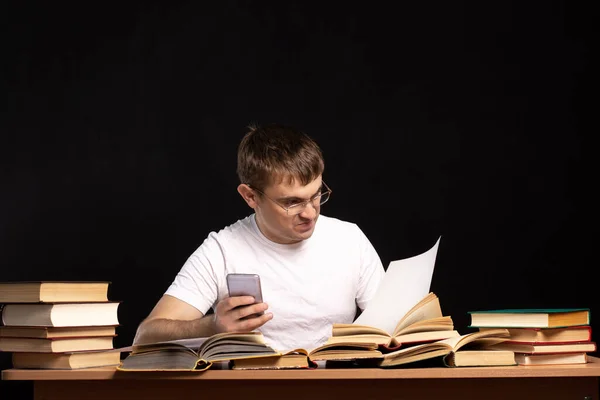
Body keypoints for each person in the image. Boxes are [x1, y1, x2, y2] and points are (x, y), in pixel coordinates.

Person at [133, 123, 385, 351]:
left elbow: (391, 326)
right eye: (292, 202)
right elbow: (145, 336)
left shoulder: (349, 239)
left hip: (340, 387)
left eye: (316, 195)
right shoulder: (222, 250)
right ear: (250, 196)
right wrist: (212, 326)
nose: (310, 213)